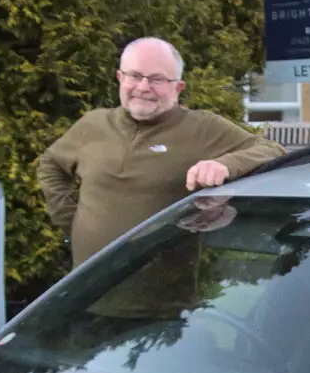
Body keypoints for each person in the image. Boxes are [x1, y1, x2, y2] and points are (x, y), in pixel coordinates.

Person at [37, 37, 285, 265]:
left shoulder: (201, 128)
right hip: (83, 296)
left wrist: (225, 165)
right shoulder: (93, 125)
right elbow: (51, 163)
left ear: (178, 88)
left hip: (161, 304)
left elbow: (274, 150)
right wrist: (71, 220)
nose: (143, 87)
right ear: (120, 78)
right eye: (134, 75)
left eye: (157, 79)